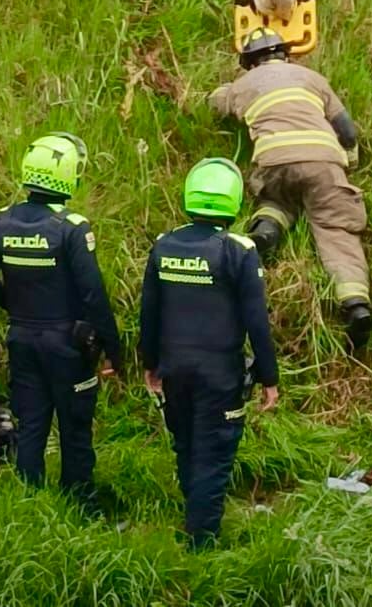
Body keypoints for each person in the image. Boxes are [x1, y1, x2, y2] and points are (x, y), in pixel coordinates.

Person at [0, 132, 121, 509]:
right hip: (68, 345)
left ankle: (28, 503)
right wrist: (113, 350)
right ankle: (78, 503)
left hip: (22, 338)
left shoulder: (2, 222)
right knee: (74, 430)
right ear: (70, 176)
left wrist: (11, 305)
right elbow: (93, 295)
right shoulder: (71, 227)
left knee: (32, 425)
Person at [140, 158, 279, 549]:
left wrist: (150, 364)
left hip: (174, 368)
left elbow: (148, 312)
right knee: (214, 455)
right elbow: (257, 321)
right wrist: (269, 377)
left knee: (185, 444)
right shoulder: (239, 250)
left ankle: (194, 519)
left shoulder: (164, 245)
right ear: (232, 201)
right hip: (220, 374)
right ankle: (201, 544)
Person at [208, 29, 371, 348]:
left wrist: (209, 98)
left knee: (275, 197)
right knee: (335, 227)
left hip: (275, 160)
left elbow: (216, 103)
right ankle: (355, 304)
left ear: (250, 62)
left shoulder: (243, 86)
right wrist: (349, 158)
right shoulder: (313, 78)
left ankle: (268, 229)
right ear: (285, 53)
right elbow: (346, 127)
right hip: (323, 161)